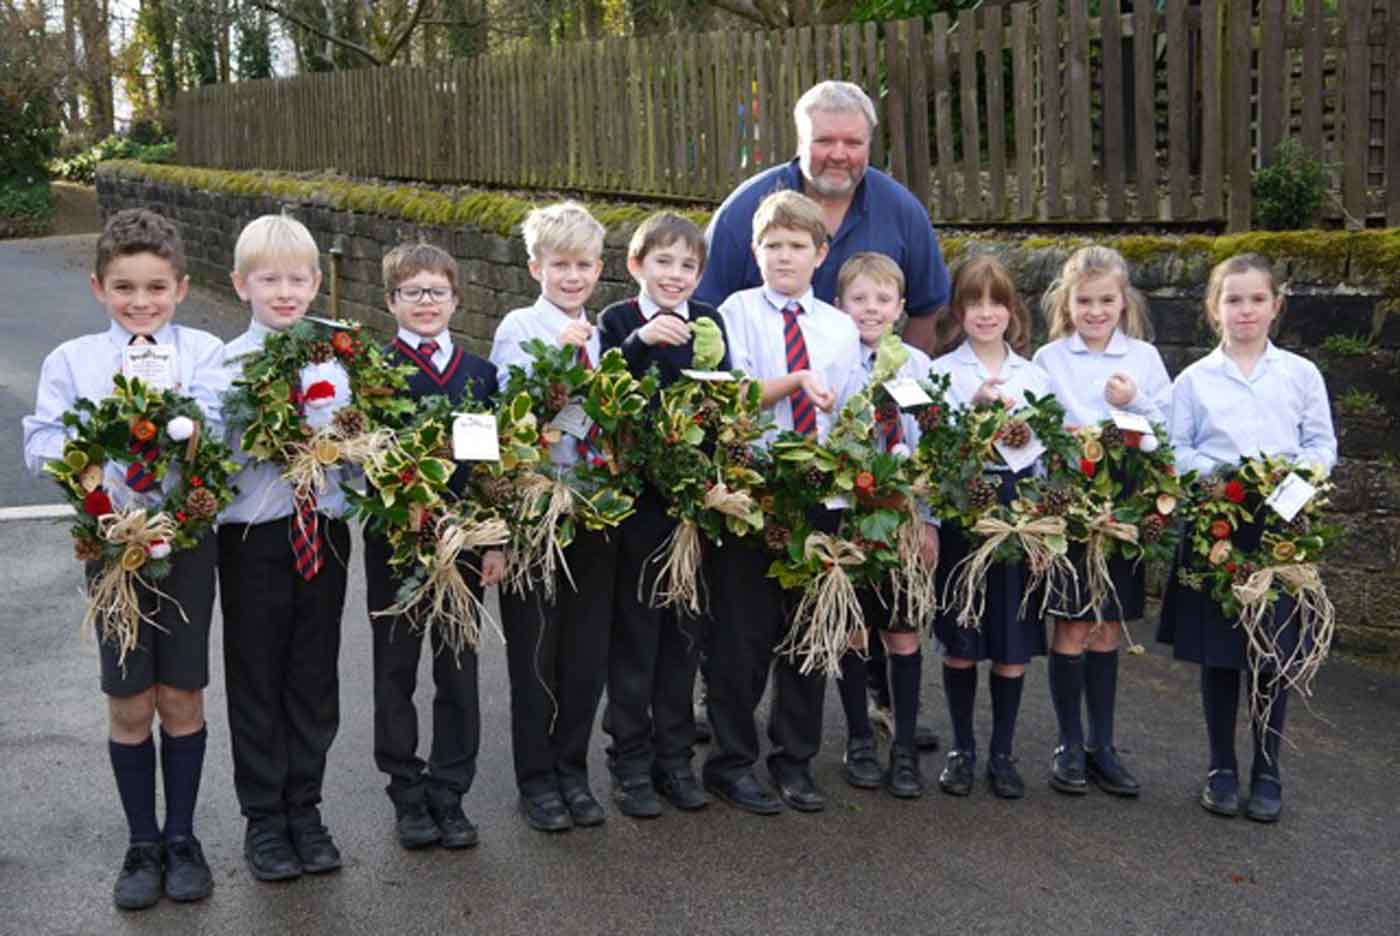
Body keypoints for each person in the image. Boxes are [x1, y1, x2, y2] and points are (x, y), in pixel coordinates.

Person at [23, 208, 223, 910]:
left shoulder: (204, 352)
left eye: (156, 287)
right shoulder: (73, 361)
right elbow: (40, 440)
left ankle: (182, 836)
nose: (141, 301)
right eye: (125, 287)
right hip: (112, 547)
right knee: (131, 699)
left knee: (182, 695)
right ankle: (141, 842)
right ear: (98, 287)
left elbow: (224, 431)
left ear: (182, 287)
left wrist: (188, 431)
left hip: (187, 542)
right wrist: (100, 446)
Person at [1158, 253, 1337, 823]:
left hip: (1280, 528)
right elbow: (1176, 449)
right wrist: (1214, 481)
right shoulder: (1193, 380)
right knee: (1222, 654)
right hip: (1219, 523)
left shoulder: (1300, 375)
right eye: (1233, 300)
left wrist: (1292, 488)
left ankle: (1266, 767)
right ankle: (1220, 768)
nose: (1246, 310)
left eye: (1257, 299)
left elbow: (1320, 446)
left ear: (1276, 306)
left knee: (1271, 652)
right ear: (1215, 310)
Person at [706, 189, 865, 815]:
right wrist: (795, 383)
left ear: (820, 254)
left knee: (808, 634)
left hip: (821, 494)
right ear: (755, 250)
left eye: (797, 246)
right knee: (742, 636)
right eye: (772, 246)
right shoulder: (735, 313)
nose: (784, 256)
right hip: (755, 491)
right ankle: (731, 760)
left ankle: (794, 760)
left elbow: (850, 408)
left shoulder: (838, 326)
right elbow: (734, 399)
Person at [218, 215, 351, 882]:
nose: (284, 290)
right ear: (241, 284)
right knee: (257, 675)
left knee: (312, 672)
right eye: (268, 279)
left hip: (323, 532)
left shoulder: (339, 362)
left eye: (297, 278)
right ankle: (264, 819)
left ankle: (307, 807)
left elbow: (357, 453)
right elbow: (213, 460)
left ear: (317, 283)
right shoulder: (224, 367)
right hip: (255, 539)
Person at [364, 242, 503, 850]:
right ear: (391, 300)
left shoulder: (481, 374)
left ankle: (450, 790)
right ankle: (406, 790)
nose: (426, 303)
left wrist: (495, 540)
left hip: (466, 547)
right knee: (395, 670)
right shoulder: (372, 373)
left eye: (437, 292)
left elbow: (495, 466)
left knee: (458, 671)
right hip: (396, 546)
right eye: (412, 292)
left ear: (456, 299)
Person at [489, 202, 617, 833]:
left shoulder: (597, 333)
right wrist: (559, 366)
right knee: (539, 649)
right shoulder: (521, 327)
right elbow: (517, 421)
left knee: (587, 649)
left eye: (584, 265)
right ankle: (536, 777)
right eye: (560, 265)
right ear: (536, 265)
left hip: (594, 504)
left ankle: (573, 767)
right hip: (540, 505)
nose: (573, 277)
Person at [598, 212, 729, 818]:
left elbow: (720, 395)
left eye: (687, 266)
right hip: (638, 504)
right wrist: (640, 344)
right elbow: (603, 395)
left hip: (692, 505)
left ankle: (675, 759)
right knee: (636, 634)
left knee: (684, 634)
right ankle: (630, 760)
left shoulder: (710, 321)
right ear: (637, 266)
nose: (675, 275)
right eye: (663, 262)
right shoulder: (618, 322)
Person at [1033, 245, 1171, 798]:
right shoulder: (1049, 361)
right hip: (1070, 504)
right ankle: (1068, 744)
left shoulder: (1143, 359)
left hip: (1124, 505)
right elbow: (1035, 435)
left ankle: (1103, 746)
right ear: (1068, 303)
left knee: (1108, 626)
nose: (1095, 311)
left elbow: (1165, 434)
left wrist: (1134, 404)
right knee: (1070, 624)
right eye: (1084, 301)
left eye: (1106, 300)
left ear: (1123, 301)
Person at [695, 80, 950, 354]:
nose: (839, 155)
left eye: (853, 143)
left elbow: (928, 310)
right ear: (800, 142)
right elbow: (703, 310)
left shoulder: (903, 212)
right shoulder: (743, 212)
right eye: (824, 141)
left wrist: (895, 380)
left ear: (869, 144)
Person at [929, 255, 1052, 801]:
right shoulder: (944, 374)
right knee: (962, 639)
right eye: (974, 302)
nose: (985, 313)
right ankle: (962, 749)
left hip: (1017, 517)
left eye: (995, 302)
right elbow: (933, 456)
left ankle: (1002, 752)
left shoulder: (1034, 375)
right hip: (963, 513)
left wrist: (1045, 528)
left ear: (1011, 310)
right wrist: (971, 413)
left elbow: (1050, 457)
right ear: (959, 310)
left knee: (1011, 644)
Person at [831, 252, 938, 799]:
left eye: (882, 300)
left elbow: (934, 449)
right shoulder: (835, 360)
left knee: (900, 631)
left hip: (901, 516)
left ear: (900, 307)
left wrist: (929, 522)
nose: (870, 310)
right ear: (839, 305)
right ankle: (857, 739)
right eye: (859, 300)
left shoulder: (919, 367)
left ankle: (901, 747)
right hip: (849, 513)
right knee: (852, 627)